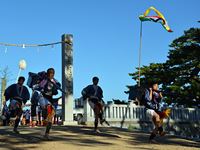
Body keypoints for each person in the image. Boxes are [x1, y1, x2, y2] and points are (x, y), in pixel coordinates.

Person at [32, 68, 61, 139]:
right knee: (47, 107)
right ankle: (44, 117)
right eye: (50, 73)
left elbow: (58, 86)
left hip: (50, 98)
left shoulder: (55, 80)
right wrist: (45, 82)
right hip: (42, 97)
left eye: (53, 73)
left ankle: (46, 134)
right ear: (48, 73)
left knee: (51, 115)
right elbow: (40, 87)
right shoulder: (44, 80)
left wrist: (57, 86)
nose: (52, 74)